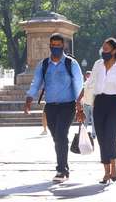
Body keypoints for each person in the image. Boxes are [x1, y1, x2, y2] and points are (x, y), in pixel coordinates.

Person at [25, 33, 83, 182]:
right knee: (57, 138)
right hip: (50, 107)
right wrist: (29, 98)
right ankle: (64, 166)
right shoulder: (44, 64)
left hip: (68, 106)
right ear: (49, 46)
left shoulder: (71, 64)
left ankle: (61, 170)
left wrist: (80, 106)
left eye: (58, 45)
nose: (55, 48)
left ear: (63, 46)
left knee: (61, 135)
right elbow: (36, 82)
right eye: (53, 45)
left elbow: (78, 85)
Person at [76, 38, 116, 185]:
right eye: (103, 49)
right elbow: (89, 83)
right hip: (99, 103)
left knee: (111, 137)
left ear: (114, 51)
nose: (103, 52)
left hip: (114, 104)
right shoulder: (98, 65)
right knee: (101, 138)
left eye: (106, 49)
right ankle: (106, 172)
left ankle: (114, 168)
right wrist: (79, 99)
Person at [82, 71, 96, 139]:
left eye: (89, 75)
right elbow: (82, 94)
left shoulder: (94, 84)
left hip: (93, 105)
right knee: (85, 120)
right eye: (87, 75)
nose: (88, 77)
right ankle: (83, 133)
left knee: (93, 120)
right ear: (86, 76)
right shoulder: (84, 84)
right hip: (86, 104)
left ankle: (93, 134)